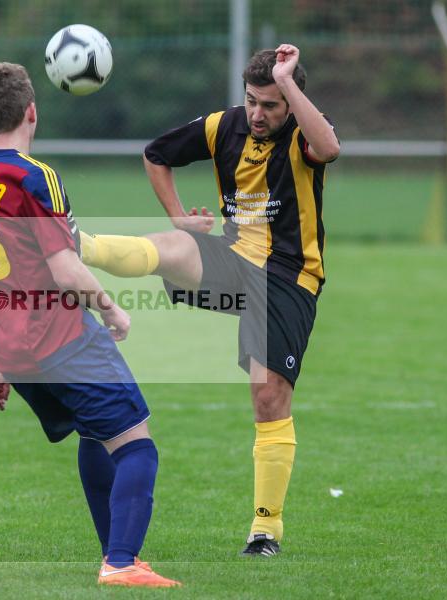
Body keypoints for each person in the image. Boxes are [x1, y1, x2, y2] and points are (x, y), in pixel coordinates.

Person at [79, 45, 340, 556]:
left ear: (290, 101)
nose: (258, 114)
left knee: (268, 397)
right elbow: (156, 154)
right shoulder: (225, 126)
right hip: (235, 260)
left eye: (270, 104)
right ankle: (76, 244)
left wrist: (289, 84)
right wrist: (178, 215)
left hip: (288, 277)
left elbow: (328, 148)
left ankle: (265, 529)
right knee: (175, 246)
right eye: (252, 101)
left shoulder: (303, 130)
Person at [0, 62, 180, 588]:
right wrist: (110, 307)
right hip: (63, 340)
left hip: (16, 353)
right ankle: (121, 563)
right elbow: (66, 269)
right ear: (32, 112)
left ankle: (115, 554)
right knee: (137, 444)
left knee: (97, 435)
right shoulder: (36, 178)